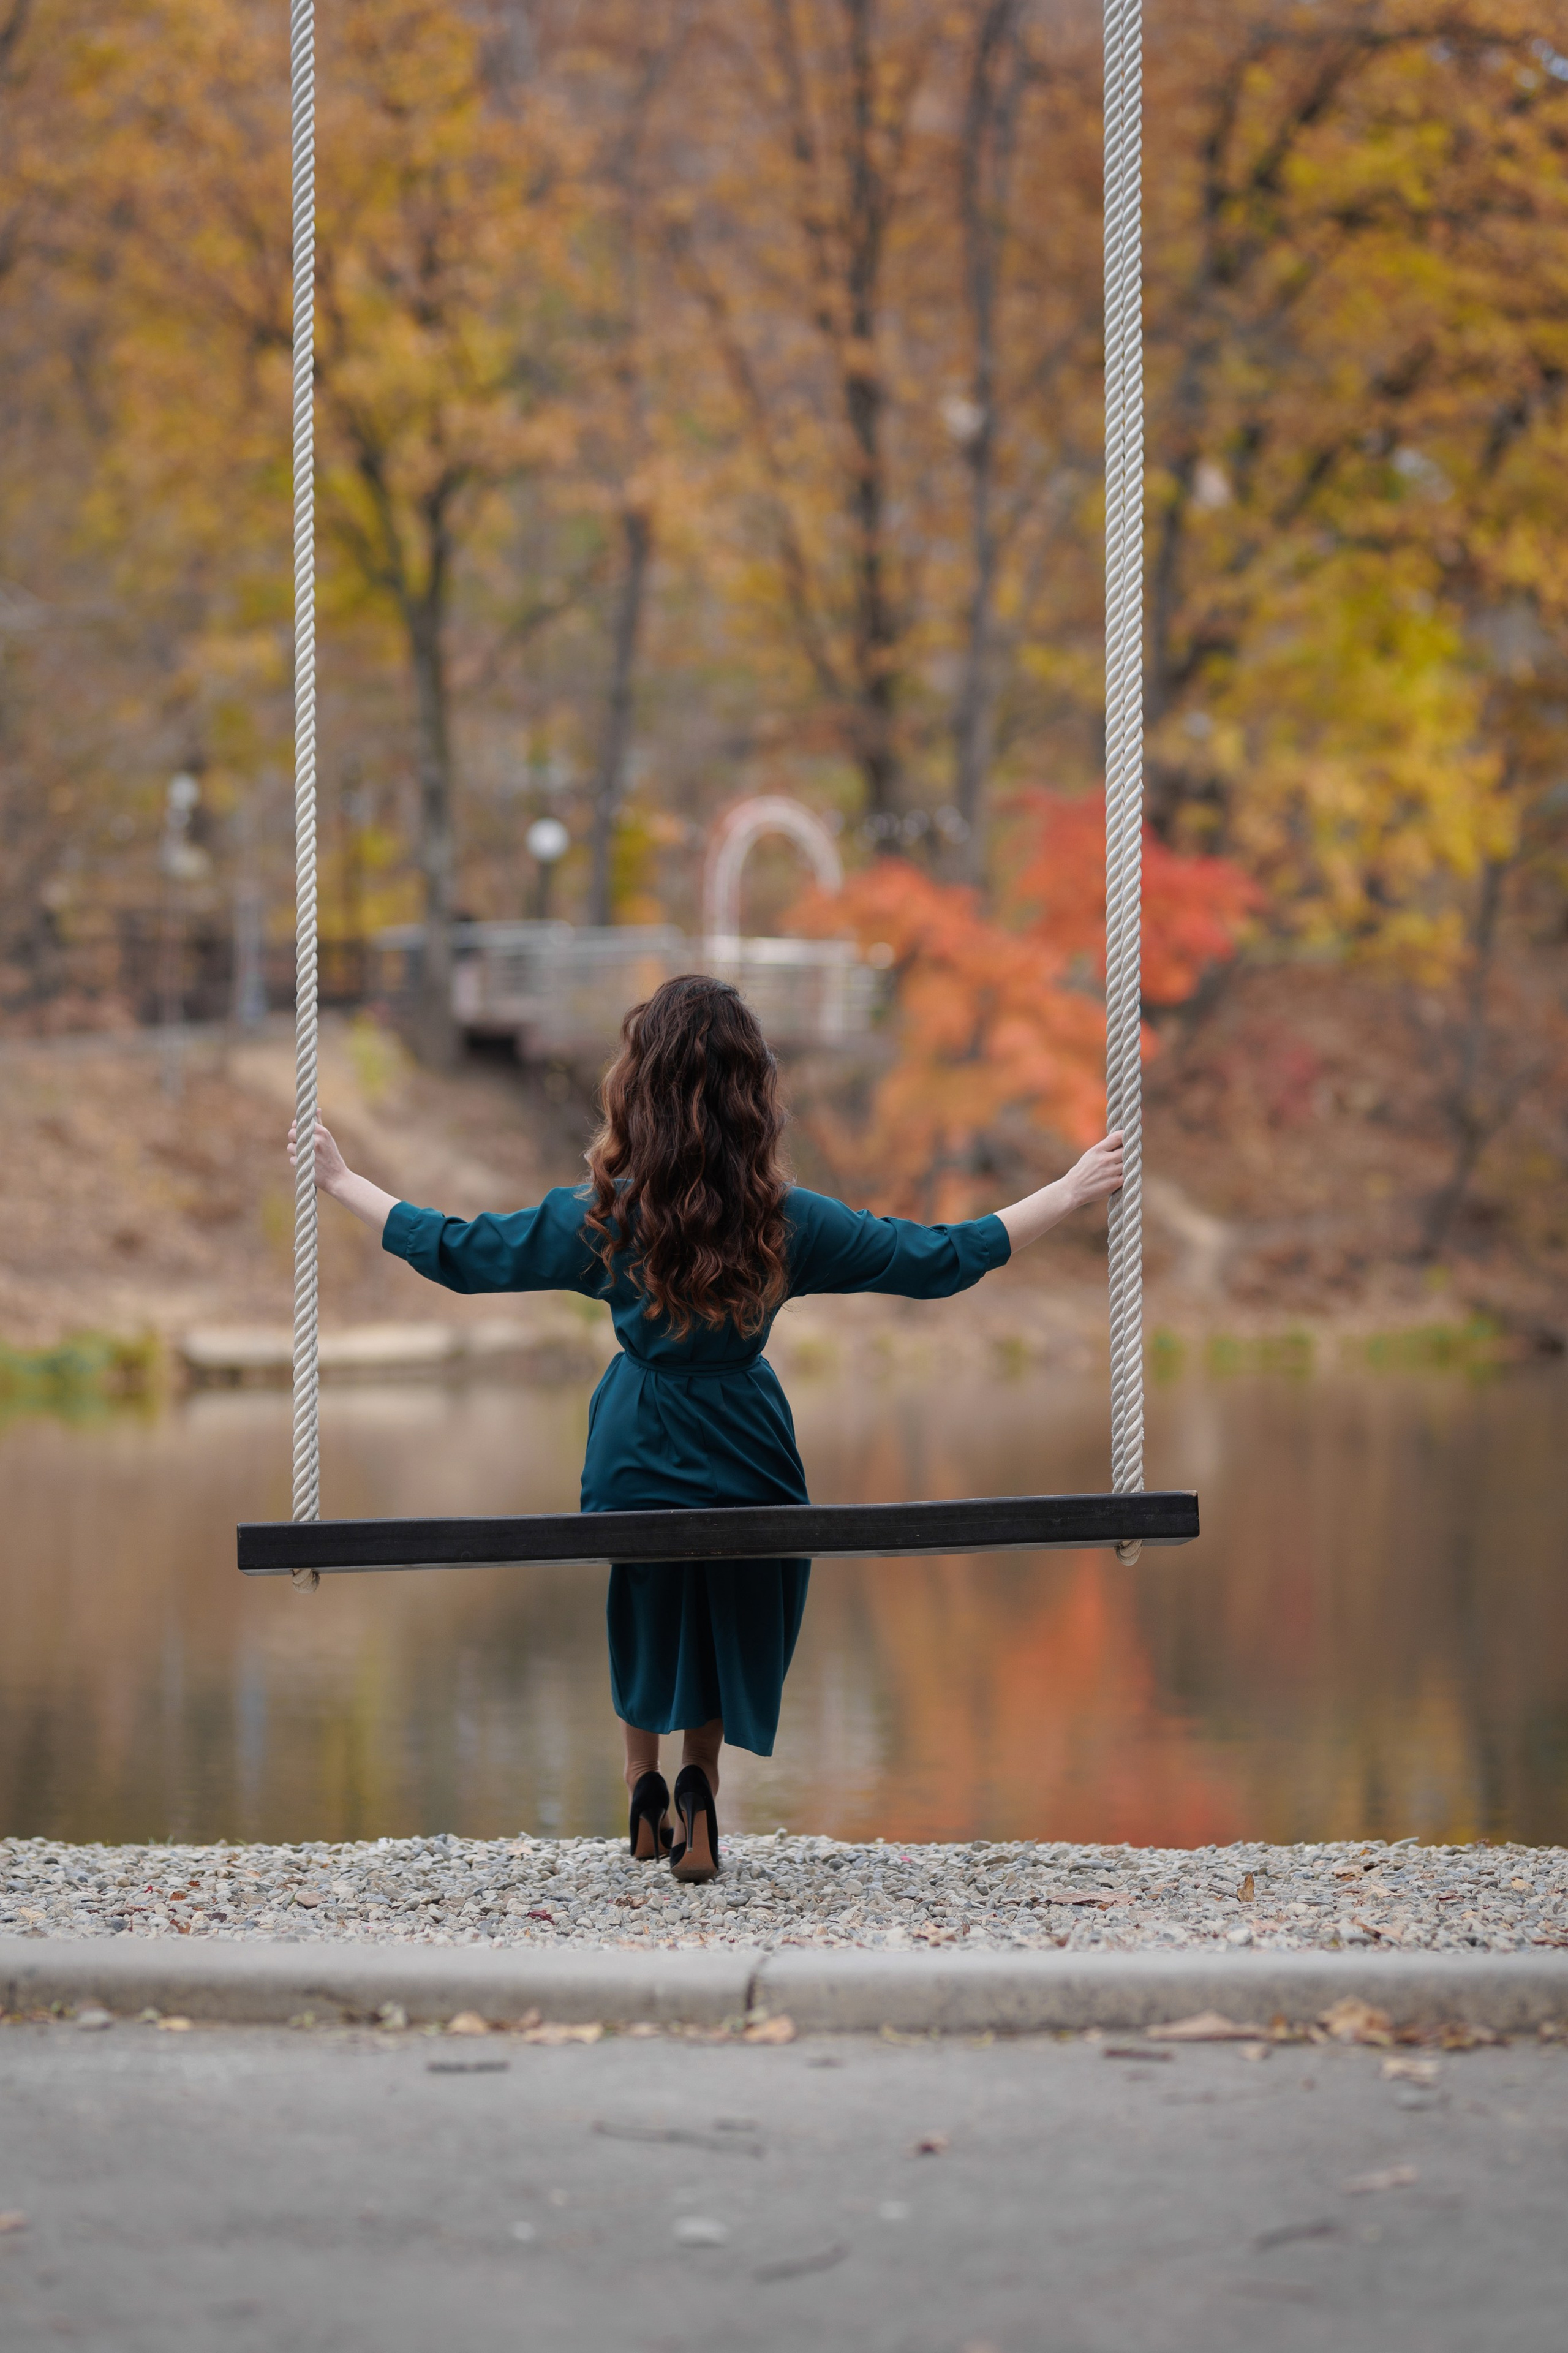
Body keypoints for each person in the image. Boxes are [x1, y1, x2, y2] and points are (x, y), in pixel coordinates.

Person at [290, 972, 1123, 1883]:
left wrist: (344, 1182)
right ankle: (700, 1784)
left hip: (635, 1442)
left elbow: (459, 1252)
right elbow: (941, 1259)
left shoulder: (604, 1220)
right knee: (732, 1599)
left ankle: (640, 1784)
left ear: (634, 1090)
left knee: (645, 1592)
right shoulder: (788, 1224)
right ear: (751, 1099)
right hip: (749, 1444)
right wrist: (1069, 1190)